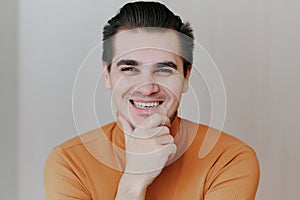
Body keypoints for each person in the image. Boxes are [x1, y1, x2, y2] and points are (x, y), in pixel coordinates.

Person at [44, 1, 260, 199]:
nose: (147, 88)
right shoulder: (69, 163)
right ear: (107, 75)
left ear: (186, 77)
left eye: (164, 70)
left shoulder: (229, 158)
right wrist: (133, 182)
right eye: (129, 68)